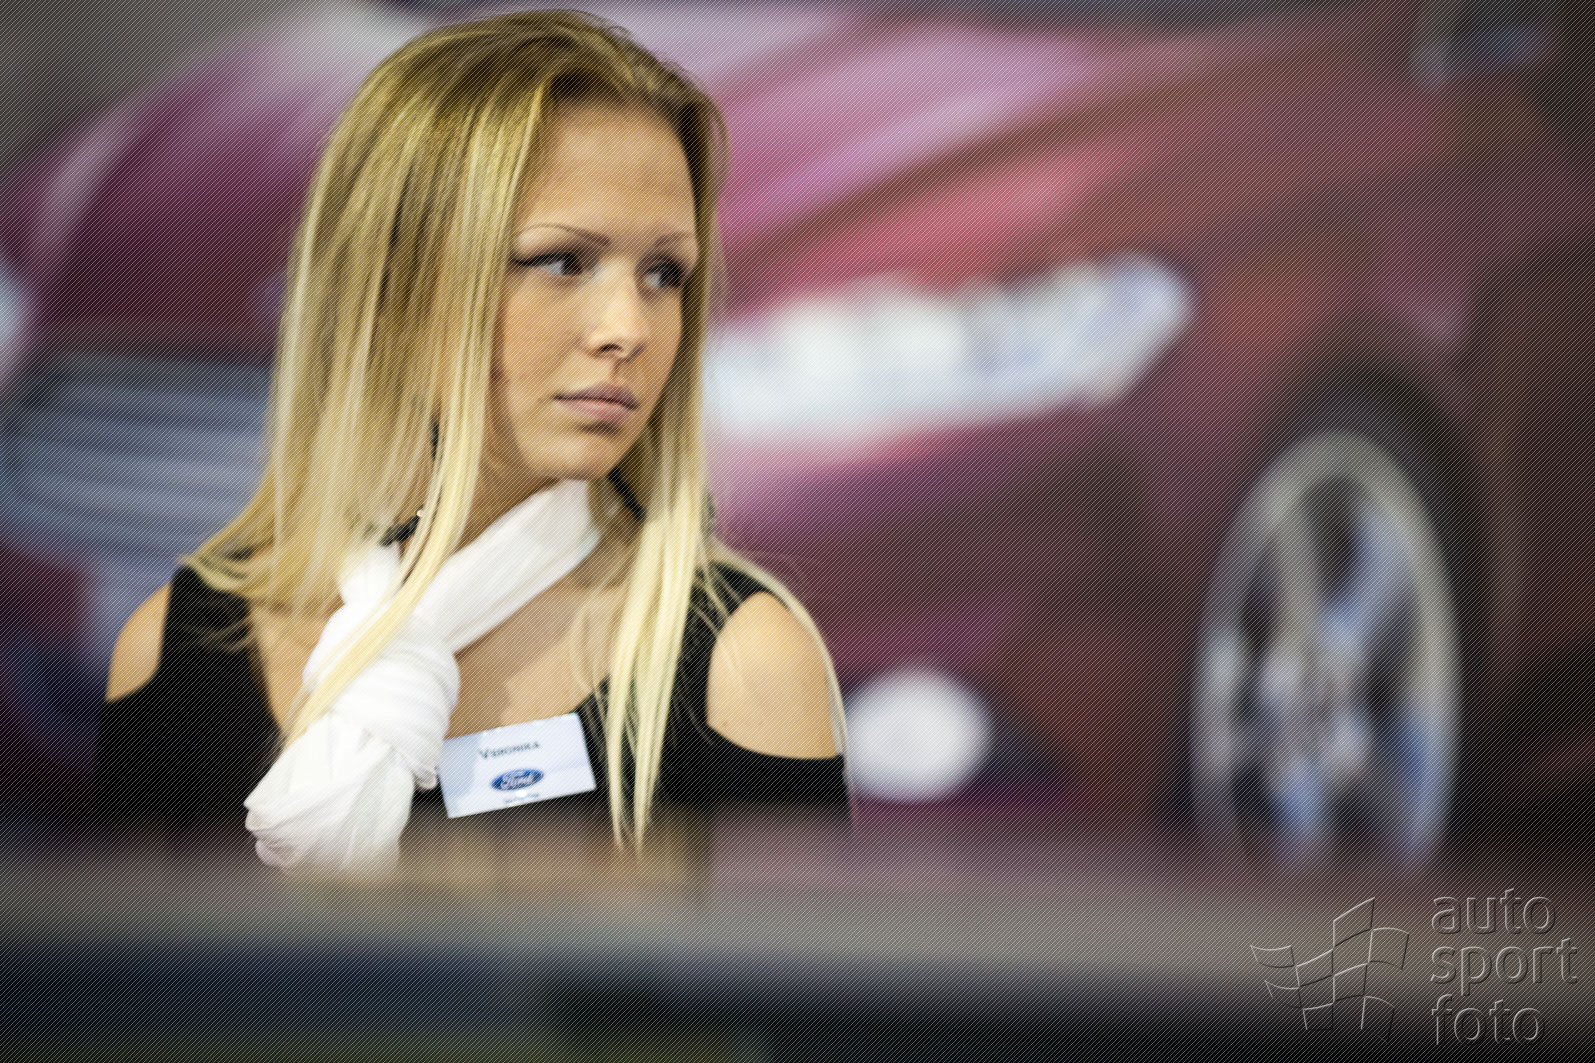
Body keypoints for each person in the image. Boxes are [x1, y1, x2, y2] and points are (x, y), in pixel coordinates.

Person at [97, 10, 849, 871]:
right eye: (562, 261)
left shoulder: (739, 662)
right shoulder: (173, 652)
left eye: (663, 272)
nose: (628, 328)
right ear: (389, 285)